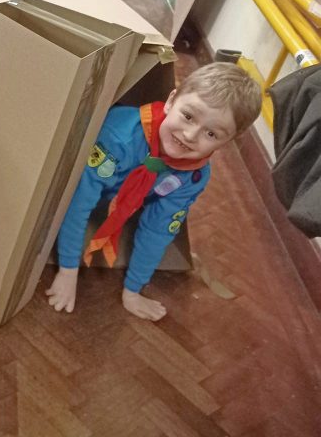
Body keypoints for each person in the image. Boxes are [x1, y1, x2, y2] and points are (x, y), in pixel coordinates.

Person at [46, 62, 261, 320]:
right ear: (171, 101)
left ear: (228, 143)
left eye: (212, 133)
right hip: (84, 177)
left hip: (119, 196)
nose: (190, 135)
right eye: (188, 116)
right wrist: (68, 270)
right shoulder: (119, 138)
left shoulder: (193, 176)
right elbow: (78, 202)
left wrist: (133, 290)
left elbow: (158, 229)